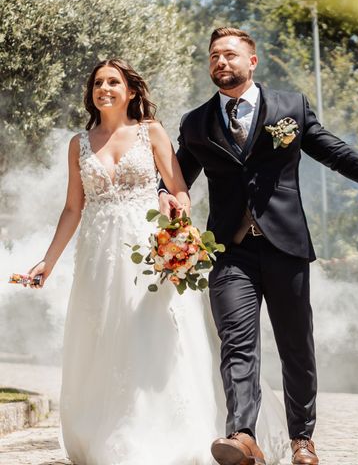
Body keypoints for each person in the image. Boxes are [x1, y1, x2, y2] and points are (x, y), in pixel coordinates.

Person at [158, 27, 358, 465]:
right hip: (230, 252)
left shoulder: (290, 107)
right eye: (213, 57)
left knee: (295, 346)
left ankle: (302, 440)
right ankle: (242, 434)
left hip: (286, 246)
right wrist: (166, 200)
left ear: (252, 61)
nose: (220, 63)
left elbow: (335, 153)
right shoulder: (195, 123)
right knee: (237, 343)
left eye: (229, 55)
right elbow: (175, 181)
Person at [27, 58, 288, 465]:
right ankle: (105, 432)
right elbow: (72, 209)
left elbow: (181, 190)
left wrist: (176, 224)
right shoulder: (79, 143)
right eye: (98, 83)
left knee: (154, 337)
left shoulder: (152, 133)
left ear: (130, 90)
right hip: (98, 258)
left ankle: (167, 432)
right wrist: (47, 262)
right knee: (104, 339)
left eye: (114, 81)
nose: (105, 89)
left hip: (151, 253)